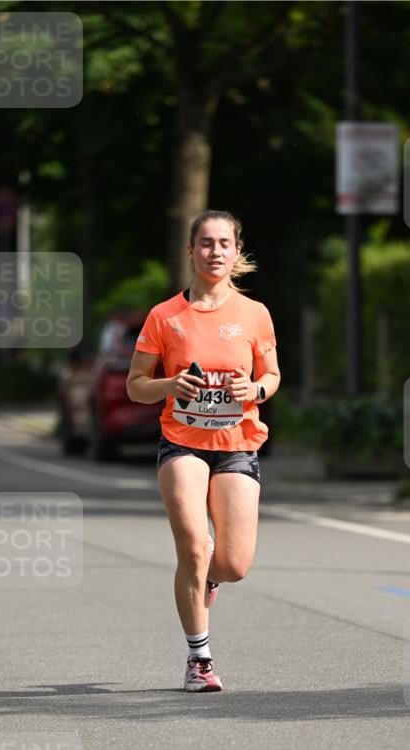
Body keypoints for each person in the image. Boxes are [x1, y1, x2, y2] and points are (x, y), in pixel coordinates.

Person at [127, 210, 281, 692]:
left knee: (233, 564)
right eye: (206, 243)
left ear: (237, 252)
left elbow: (272, 377)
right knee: (193, 547)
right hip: (182, 442)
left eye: (224, 244)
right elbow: (136, 386)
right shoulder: (164, 316)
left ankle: (209, 576)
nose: (215, 252)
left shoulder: (255, 314)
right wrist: (170, 384)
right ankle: (200, 660)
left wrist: (254, 391)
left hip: (237, 444)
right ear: (191, 251)